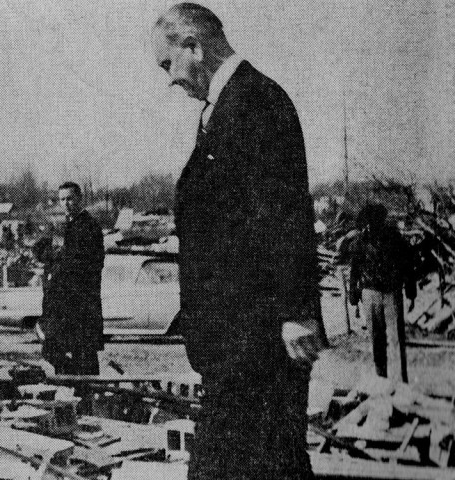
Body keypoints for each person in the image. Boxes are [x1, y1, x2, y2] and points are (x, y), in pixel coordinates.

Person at [152, 5, 326, 479]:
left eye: (168, 64)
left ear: (195, 46)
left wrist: (296, 312)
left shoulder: (258, 101)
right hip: (235, 339)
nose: (169, 80)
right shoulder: (225, 107)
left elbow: (286, 212)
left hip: (262, 337)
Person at [41, 182, 104, 375]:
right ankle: (71, 385)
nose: (66, 203)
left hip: (81, 301)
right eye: (62, 199)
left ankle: (87, 395)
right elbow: (43, 249)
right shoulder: (62, 227)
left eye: (70, 198)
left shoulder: (89, 226)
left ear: (79, 199)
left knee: (84, 354)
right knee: (51, 350)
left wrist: (58, 259)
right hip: (61, 303)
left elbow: (86, 262)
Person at [348, 203, 416, 382]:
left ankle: (401, 382)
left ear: (382, 219)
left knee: (396, 340)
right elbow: (354, 269)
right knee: (376, 340)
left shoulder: (394, 238)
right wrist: (353, 294)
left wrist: (410, 291)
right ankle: (382, 379)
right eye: (368, 221)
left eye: (375, 220)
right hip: (369, 294)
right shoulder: (360, 242)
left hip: (391, 293)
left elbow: (407, 265)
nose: (371, 224)